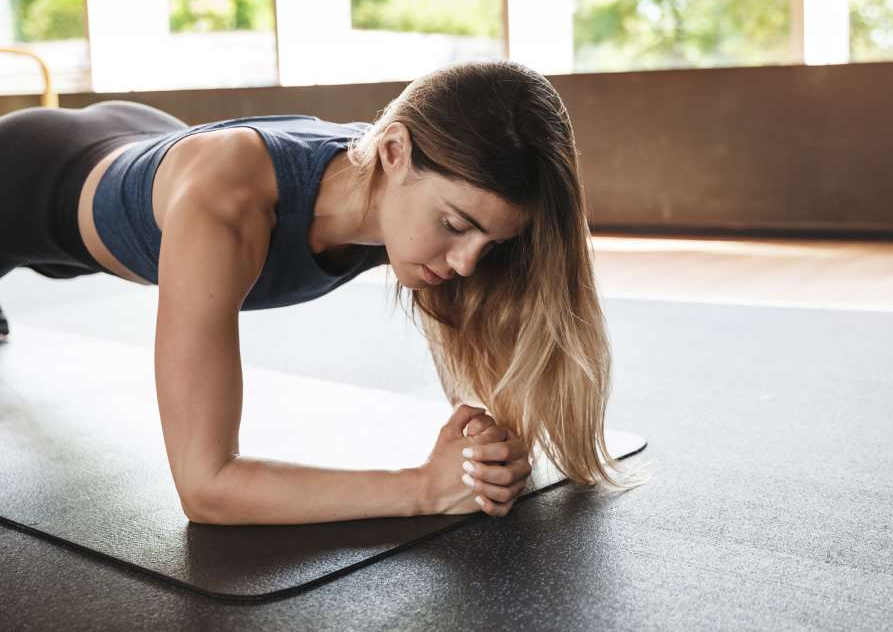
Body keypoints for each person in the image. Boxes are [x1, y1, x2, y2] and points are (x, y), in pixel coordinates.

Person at [0, 59, 638, 525]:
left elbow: (485, 402)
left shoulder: (412, 184)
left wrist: (488, 451)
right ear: (392, 151)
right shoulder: (229, 206)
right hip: (24, 180)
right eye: (454, 227)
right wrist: (420, 487)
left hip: (143, 139)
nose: (469, 263)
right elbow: (206, 488)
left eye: (492, 244)